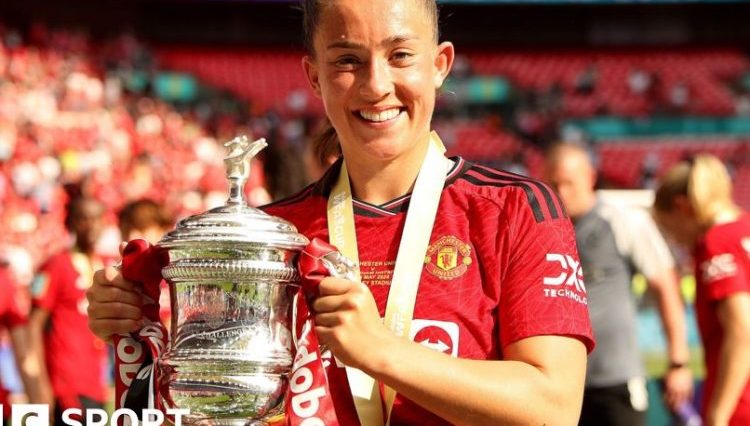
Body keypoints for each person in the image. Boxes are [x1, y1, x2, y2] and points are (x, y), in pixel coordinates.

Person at [86, 1, 595, 424]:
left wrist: (381, 352)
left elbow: (553, 406)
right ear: (313, 75)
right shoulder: (273, 237)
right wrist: (138, 317)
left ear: (439, 65)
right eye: (348, 59)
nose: (376, 85)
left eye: (400, 55)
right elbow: (225, 398)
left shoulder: (513, 208)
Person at [544, 143, 693, 426]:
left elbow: (665, 286)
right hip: (557, 384)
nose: (561, 192)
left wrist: (678, 362)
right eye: (554, 183)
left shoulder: (622, 220)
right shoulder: (540, 227)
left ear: (590, 176)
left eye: (569, 183)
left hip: (614, 381)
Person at [653, 154, 750, 426]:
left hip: (740, 407)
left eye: (668, 227)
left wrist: (719, 414)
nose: (675, 239)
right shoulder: (744, 229)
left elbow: (742, 330)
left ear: (681, 207)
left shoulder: (716, 242)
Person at [27, 195, 109, 425]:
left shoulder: (103, 265)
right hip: (66, 385)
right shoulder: (56, 265)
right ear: (71, 223)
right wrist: (40, 384)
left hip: (95, 384)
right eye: (84, 219)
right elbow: (34, 324)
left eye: (96, 218)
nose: (91, 225)